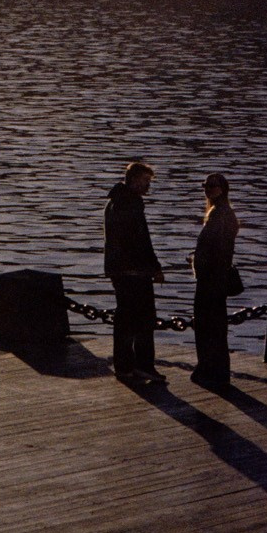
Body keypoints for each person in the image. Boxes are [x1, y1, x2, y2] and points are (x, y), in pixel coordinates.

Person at [104, 159, 166, 386]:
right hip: (134, 271)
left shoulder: (115, 201)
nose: (148, 185)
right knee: (144, 319)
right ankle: (144, 365)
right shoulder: (132, 204)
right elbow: (141, 241)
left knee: (124, 319)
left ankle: (124, 366)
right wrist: (154, 267)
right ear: (135, 180)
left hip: (118, 269)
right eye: (146, 180)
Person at [192, 171, 241, 389]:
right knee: (215, 327)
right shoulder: (221, 213)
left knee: (208, 327)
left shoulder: (220, 214)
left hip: (211, 280)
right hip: (215, 279)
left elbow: (216, 249)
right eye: (205, 185)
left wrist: (201, 263)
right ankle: (214, 370)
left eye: (212, 185)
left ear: (222, 189)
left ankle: (210, 370)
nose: (208, 189)